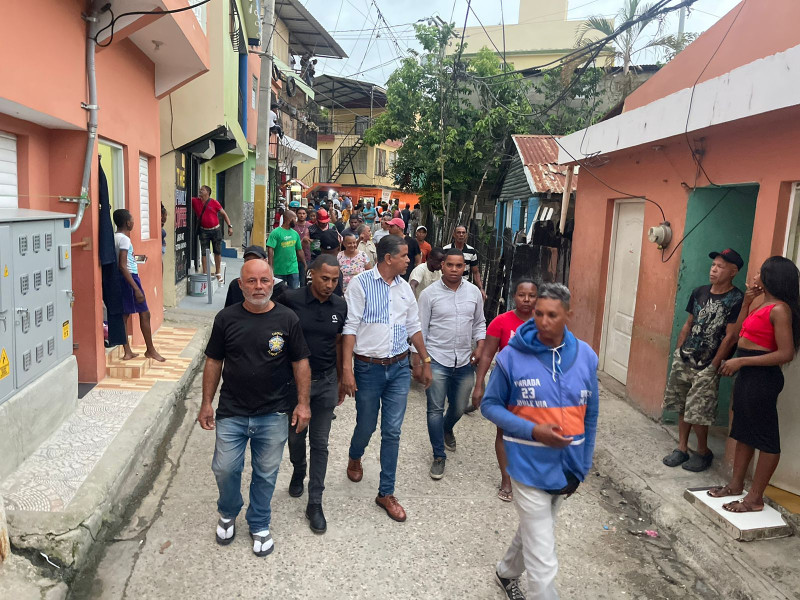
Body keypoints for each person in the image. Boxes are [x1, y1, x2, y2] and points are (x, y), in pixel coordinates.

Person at [482, 283, 598, 600]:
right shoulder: (510, 358)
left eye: (552, 315)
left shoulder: (586, 357)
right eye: (538, 314)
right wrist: (533, 431)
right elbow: (489, 406)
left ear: (568, 316)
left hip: (566, 468)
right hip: (527, 465)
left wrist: (582, 466)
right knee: (543, 562)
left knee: (537, 528)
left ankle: (506, 572)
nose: (543, 321)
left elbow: (591, 415)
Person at [199, 260, 311, 557]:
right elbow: (213, 361)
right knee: (224, 468)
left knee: (265, 473)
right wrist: (206, 403)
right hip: (232, 411)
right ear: (240, 284)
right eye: (251, 281)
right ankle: (228, 510)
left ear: (273, 282)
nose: (258, 287)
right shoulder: (226, 319)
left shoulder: (288, 320)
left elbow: (301, 362)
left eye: (264, 281)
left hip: (273, 413)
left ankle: (259, 522)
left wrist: (303, 403)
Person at [341, 235, 434, 522]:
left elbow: (413, 326)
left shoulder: (405, 289)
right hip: (368, 369)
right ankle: (356, 454)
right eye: (405, 256)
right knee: (366, 425)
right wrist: (346, 369)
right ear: (388, 258)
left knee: (392, 431)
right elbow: (350, 327)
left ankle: (386, 492)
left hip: (398, 369)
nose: (410, 260)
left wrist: (424, 359)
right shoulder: (360, 284)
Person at [708, 256, 800, 512]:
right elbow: (736, 335)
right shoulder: (760, 304)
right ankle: (736, 485)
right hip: (747, 374)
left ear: (772, 278)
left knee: (766, 438)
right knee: (743, 431)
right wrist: (747, 302)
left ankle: (755, 498)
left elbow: (786, 353)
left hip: (762, 377)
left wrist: (741, 364)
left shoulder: (780, 309)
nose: (755, 276)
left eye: (760, 272)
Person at [276, 255, 348, 533]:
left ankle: (315, 501)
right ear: (311, 275)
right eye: (325, 278)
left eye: (334, 280)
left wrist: (342, 378)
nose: (330, 285)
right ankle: (298, 469)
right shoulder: (289, 299)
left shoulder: (340, 305)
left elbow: (340, 341)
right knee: (295, 437)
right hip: (295, 384)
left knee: (321, 443)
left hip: (327, 381)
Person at [662, 249, 745, 472]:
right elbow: (688, 323)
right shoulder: (699, 292)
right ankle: (681, 448)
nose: (714, 269)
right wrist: (679, 352)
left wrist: (714, 365)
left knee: (699, 409)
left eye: (720, 266)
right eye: (713, 265)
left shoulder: (736, 299)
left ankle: (703, 451)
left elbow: (731, 337)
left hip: (708, 363)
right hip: (686, 358)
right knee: (682, 404)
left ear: (733, 271)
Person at [418, 249, 486, 479]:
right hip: (437, 358)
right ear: (442, 266)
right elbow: (421, 330)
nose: (455, 270)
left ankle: (447, 428)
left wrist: (479, 345)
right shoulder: (429, 295)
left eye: (459, 266)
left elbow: (479, 323)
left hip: (465, 360)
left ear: (464, 267)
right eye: (450, 265)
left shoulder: (474, 292)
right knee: (435, 409)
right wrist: (421, 361)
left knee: (459, 407)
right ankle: (438, 455)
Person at [470, 278, 538, 502]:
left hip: (537, 390)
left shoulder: (545, 322)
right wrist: (479, 385)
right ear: (514, 296)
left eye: (531, 295)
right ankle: (506, 479)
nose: (526, 299)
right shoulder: (501, 322)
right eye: (521, 295)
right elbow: (488, 355)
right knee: (504, 432)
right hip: (506, 386)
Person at [112, 209, 166, 363]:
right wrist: (136, 288)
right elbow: (123, 265)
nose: (134, 222)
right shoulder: (125, 240)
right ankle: (150, 350)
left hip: (123, 279)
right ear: (128, 223)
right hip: (130, 279)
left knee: (125, 315)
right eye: (133, 220)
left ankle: (128, 351)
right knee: (145, 313)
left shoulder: (115, 238)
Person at [191, 185, 233, 280]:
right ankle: (205, 272)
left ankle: (218, 272)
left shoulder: (214, 202)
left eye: (203, 190)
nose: (200, 191)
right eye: (200, 189)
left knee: (217, 251)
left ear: (208, 193)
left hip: (215, 230)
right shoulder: (195, 201)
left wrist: (230, 226)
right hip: (203, 230)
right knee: (204, 252)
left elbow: (224, 214)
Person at [444, 225, 486, 302]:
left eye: (463, 233)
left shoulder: (471, 251)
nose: (461, 235)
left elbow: (475, 272)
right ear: (454, 234)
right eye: (458, 232)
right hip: (447, 285)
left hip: (464, 285)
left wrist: (481, 288)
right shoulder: (446, 250)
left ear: (466, 235)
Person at [266, 210, 306, 289]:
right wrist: (270, 266)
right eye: (295, 218)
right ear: (289, 219)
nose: (296, 221)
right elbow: (270, 249)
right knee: (278, 292)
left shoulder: (295, 234)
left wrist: (304, 263)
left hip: (293, 269)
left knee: (294, 292)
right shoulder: (275, 233)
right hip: (279, 269)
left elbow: (299, 250)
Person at [293, 206, 312, 284]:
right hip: (294, 257)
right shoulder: (293, 226)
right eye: (299, 213)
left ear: (306, 215)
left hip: (307, 256)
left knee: (305, 280)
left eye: (304, 213)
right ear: (296, 214)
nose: (301, 215)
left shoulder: (310, 226)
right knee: (295, 281)